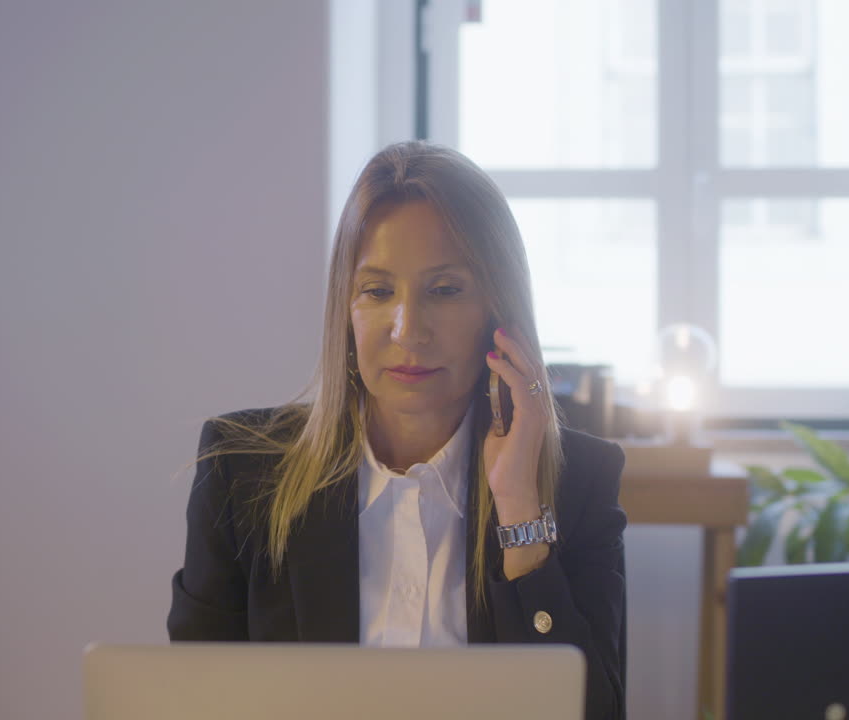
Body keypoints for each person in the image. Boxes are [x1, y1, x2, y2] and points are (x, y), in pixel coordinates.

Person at [166, 141, 627, 720]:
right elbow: (191, 702)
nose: (409, 331)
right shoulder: (242, 470)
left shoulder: (577, 481)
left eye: (445, 290)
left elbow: (596, 712)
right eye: (378, 291)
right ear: (346, 308)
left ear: (497, 310)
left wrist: (517, 507)